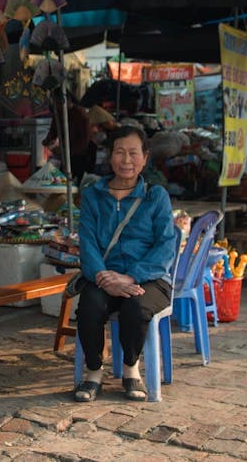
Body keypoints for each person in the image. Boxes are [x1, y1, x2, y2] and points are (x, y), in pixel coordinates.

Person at [72, 125, 178, 403]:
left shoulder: (156, 197)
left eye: (133, 153)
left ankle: (132, 370)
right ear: (110, 157)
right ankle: (94, 372)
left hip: (149, 278)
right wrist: (103, 277)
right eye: (120, 152)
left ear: (145, 157)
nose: (126, 160)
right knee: (90, 307)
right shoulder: (93, 196)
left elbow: (166, 246)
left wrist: (130, 277)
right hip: (103, 276)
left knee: (136, 307)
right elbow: (88, 243)